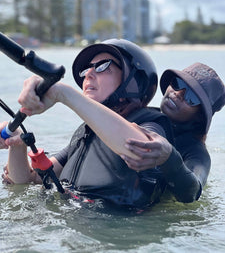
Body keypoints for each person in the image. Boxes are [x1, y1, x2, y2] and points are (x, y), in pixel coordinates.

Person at [0, 39, 174, 209]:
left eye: (103, 66)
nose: (89, 74)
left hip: (113, 230)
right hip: (70, 222)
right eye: (86, 69)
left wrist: (63, 93)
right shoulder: (85, 133)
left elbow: (145, 151)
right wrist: (17, 144)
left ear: (134, 81)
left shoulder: (151, 122)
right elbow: (27, 181)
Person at [122, 62, 225, 203]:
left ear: (199, 116)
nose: (178, 93)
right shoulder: (139, 115)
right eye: (177, 83)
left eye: (192, 97)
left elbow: (193, 191)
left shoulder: (196, 153)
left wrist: (169, 157)